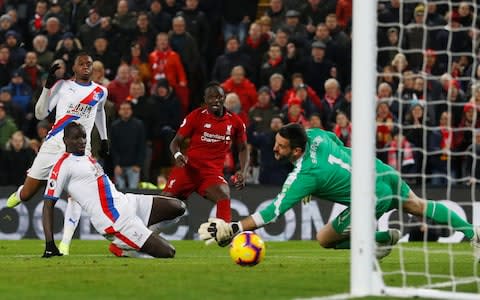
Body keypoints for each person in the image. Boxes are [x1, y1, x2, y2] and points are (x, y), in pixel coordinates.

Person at [198, 123, 480, 259]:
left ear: (296, 150)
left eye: (281, 146)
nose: (275, 148)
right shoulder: (317, 134)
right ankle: (472, 232)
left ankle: (380, 239)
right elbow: (335, 140)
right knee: (420, 206)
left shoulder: (304, 174)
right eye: (276, 142)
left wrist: (234, 227)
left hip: (370, 196)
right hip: (381, 171)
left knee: (324, 238)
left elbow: (272, 212)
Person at [6, 52, 109, 257]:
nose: (86, 67)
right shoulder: (62, 86)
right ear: (74, 68)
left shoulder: (101, 91)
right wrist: (47, 87)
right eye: (82, 64)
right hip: (53, 146)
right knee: (28, 194)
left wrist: (104, 138)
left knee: (75, 197)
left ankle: (65, 245)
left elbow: (99, 112)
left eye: (89, 64)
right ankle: (19, 194)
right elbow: (40, 114)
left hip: (80, 150)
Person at [42, 122, 185, 258]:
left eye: (84, 137)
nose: (82, 141)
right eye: (76, 138)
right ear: (65, 140)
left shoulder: (86, 156)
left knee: (178, 207)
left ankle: (135, 240)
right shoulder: (62, 166)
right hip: (115, 221)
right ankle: (126, 248)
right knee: (168, 252)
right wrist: (50, 244)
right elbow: (48, 204)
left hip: (127, 202)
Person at [162, 82, 249, 222]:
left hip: (211, 173)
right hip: (188, 168)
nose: (215, 100)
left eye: (219, 97)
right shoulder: (196, 116)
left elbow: (243, 148)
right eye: (211, 97)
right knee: (164, 203)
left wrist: (243, 172)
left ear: (224, 97)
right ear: (205, 99)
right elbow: (175, 142)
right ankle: (144, 234)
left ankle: (224, 234)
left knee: (223, 195)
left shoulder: (235, 122)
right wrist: (177, 155)